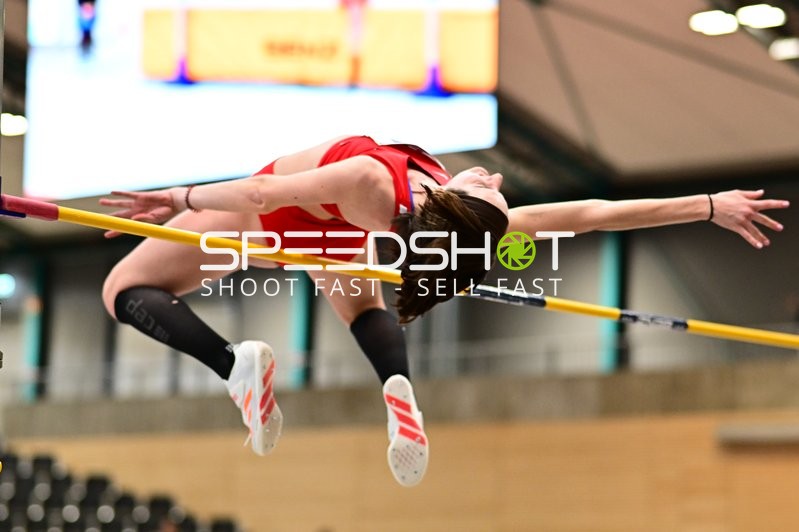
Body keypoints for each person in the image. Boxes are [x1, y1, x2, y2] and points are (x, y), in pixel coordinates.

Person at [100, 134, 789, 487]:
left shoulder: (376, 180)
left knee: (126, 291)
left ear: (445, 203)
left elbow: (256, 193)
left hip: (277, 220)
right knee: (356, 295)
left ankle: (232, 363)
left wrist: (181, 198)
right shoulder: (446, 219)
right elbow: (594, 216)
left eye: (486, 187)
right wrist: (704, 206)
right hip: (344, 241)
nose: (493, 178)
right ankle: (397, 388)